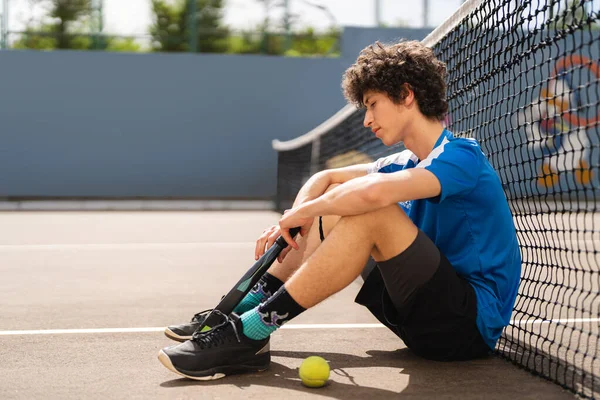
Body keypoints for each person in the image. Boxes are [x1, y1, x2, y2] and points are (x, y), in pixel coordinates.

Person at [157, 40, 522, 380]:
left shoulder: (461, 157)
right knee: (335, 202)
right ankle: (238, 316)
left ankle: (250, 330)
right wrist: (296, 215)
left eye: (372, 104)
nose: (366, 119)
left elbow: (371, 195)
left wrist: (303, 213)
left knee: (369, 210)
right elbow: (326, 178)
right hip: (417, 315)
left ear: (406, 95)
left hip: (465, 325)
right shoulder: (406, 161)